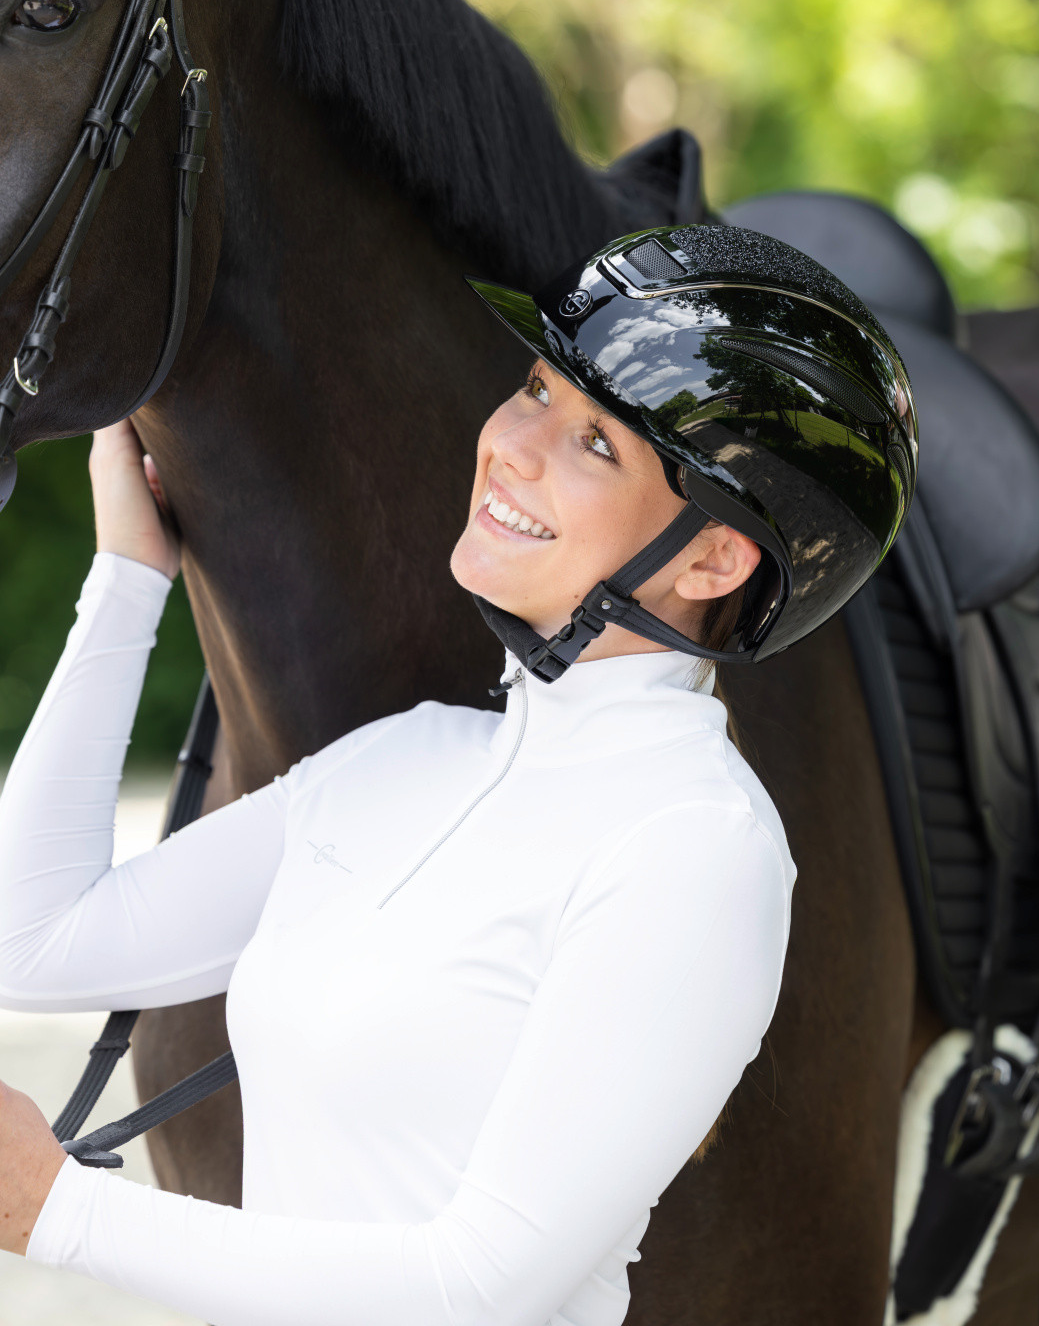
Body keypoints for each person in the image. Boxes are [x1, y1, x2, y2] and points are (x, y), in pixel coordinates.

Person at [0, 223, 915, 1326]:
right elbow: (31, 938)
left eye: (596, 444)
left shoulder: (692, 845)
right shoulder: (404, 757)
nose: (512, 446)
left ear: (713, 557)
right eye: (534, 388)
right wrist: (127, 576)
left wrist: (62, 1212)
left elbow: (479, 1287)